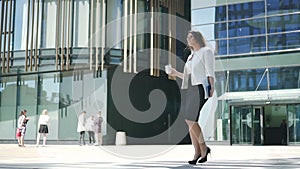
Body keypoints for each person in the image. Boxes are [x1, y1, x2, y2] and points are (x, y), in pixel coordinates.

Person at [168, 30, 215, 164]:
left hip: (201, 87)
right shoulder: (190, 56)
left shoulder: (206, 51)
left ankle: (203, 148)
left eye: (190, 37)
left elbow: (209, 71)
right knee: (189, 121)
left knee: (190, 119)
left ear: (197, 38)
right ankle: (197, 151)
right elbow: (188, 77)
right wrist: (175, 73)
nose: (188, 39)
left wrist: (212, 86)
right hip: (190, 89)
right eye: (187, 37)